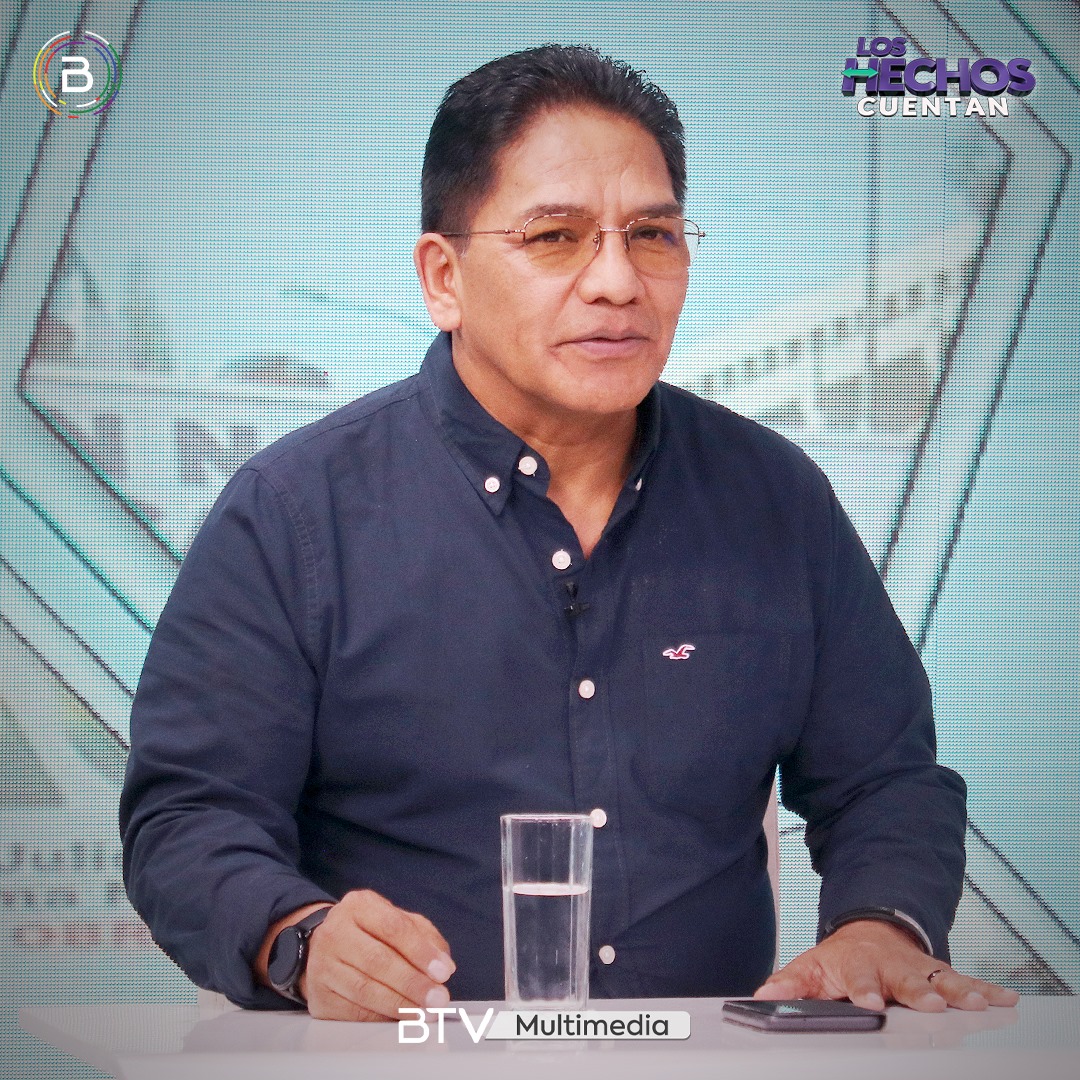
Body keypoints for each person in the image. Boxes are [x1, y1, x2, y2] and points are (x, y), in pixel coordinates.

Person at [120, 45, 1018, 1021]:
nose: (618, 281)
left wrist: (880, 927)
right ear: (443, 277)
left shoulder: (774, 499)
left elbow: (886, 780)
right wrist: (298, 939)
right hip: (403, 1061)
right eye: (556, 237)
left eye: (653, 235)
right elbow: (188, 817)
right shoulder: (295, 512)